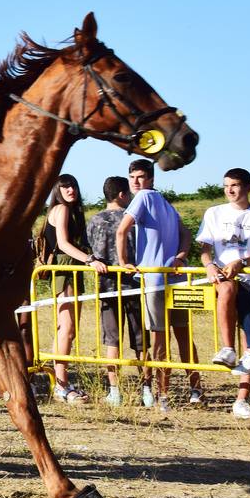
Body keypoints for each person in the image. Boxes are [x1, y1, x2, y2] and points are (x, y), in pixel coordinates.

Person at [116, 159, 196, 412]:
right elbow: (186, 234)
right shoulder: (167, 203)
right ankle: (195, 388)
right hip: (175, 277)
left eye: (140, 177)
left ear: (150, 178)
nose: (136, 182)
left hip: (155, 279)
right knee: (183, 335)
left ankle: (164, 395)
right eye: (132, 178)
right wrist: (181, 257)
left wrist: (123, 262)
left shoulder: (142, 198)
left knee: (160, 338)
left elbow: (122, 231)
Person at [197, 168, 250, 419]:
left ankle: (242, 399)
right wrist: (210, 266)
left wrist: (242, 262)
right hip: (224, 279)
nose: (230, 190)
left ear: (248, 187)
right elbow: (205, 249)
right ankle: (226, 347)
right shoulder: (214, 212)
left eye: (235, 185)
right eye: (226, 186)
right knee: (228, 288)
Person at [38, 174, 103, 404]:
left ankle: (60, 382)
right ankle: (62, 386)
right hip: (65, 268)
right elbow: (63, 243)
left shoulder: (67, 211)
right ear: (57, 189)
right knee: (66, 328)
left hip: (70, 267)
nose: (70, 189)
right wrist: (90, 260)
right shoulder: (62, 210)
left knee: (66, 328)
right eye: (64, 186)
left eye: (73, 185)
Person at [86, 176, 144, 405]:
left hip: (107, 287)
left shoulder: (95, 220)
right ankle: (146, 388)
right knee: (141, 340)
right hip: (135, 283)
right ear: (122, 194)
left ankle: (114, 390)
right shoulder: (134, 219)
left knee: (112, 340)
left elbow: (93, 251)